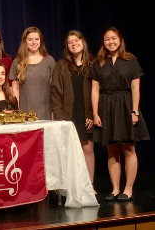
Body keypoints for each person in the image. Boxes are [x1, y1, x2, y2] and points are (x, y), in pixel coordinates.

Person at [91, 27, 149, 201]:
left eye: (113, 38)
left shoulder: (131, 61)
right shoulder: (99, 62)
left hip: (125, 105)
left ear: (120, 40)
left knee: (129, 148)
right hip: (106, 106)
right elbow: (95, 90)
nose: (110, 42)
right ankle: (115, 189)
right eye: (107, 39)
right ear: (104, 42)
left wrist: (135, 110)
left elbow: (135, 88)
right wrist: (95, 114)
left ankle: (128, 189)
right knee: (112, 150)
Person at [51, 30, 95, 191]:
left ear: (83, 42)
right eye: (70, 42)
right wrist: (61, 116)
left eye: (76, 40)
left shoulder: (93, 63)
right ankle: (73, 186)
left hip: (86, 112)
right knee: (69, 151)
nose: (74, 44)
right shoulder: (61, 65)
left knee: (88, 148)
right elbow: (55, 92)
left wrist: (92, 114)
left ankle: (89, 185)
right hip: (68, 114)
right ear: (67, 46)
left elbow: (99, 92)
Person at [9, 27, 55, 119]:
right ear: (25, 41)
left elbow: (55, 87)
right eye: (30, 39)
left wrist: (55, 110)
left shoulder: (49, 60)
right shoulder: (17, 62)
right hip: (25, 112)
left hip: (46, 111)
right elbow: (15, 88)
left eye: (37, 39)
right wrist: (18, 109)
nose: (34, 42)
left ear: (40, 41)